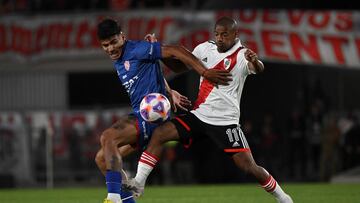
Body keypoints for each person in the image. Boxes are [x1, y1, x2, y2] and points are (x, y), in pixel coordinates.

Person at [126, 17, 294, 203]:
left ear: (235, 35)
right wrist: (159, 51)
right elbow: (179, 67)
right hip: (199, 115)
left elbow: (258, 68)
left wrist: (254, 61)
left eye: (225, 34)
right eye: (217, 34)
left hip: (225, 121)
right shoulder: (205, 48)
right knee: (160, 133)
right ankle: (139, 182)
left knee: (248, 166)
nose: (220, 38)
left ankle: (283, 198)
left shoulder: (241, 54)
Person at [95, 18, 232, 203]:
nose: (110, 48)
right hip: (143, 113)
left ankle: (113, 199)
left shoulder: (136, 49)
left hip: (151, 118)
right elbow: (150, 70)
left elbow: (177, 50)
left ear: (122, 37)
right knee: (102, 158)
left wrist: (205, 73)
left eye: (113, 42)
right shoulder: (121, 57)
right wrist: (168, 91)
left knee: (107, 137)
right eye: (105, 45)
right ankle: (127, 201)